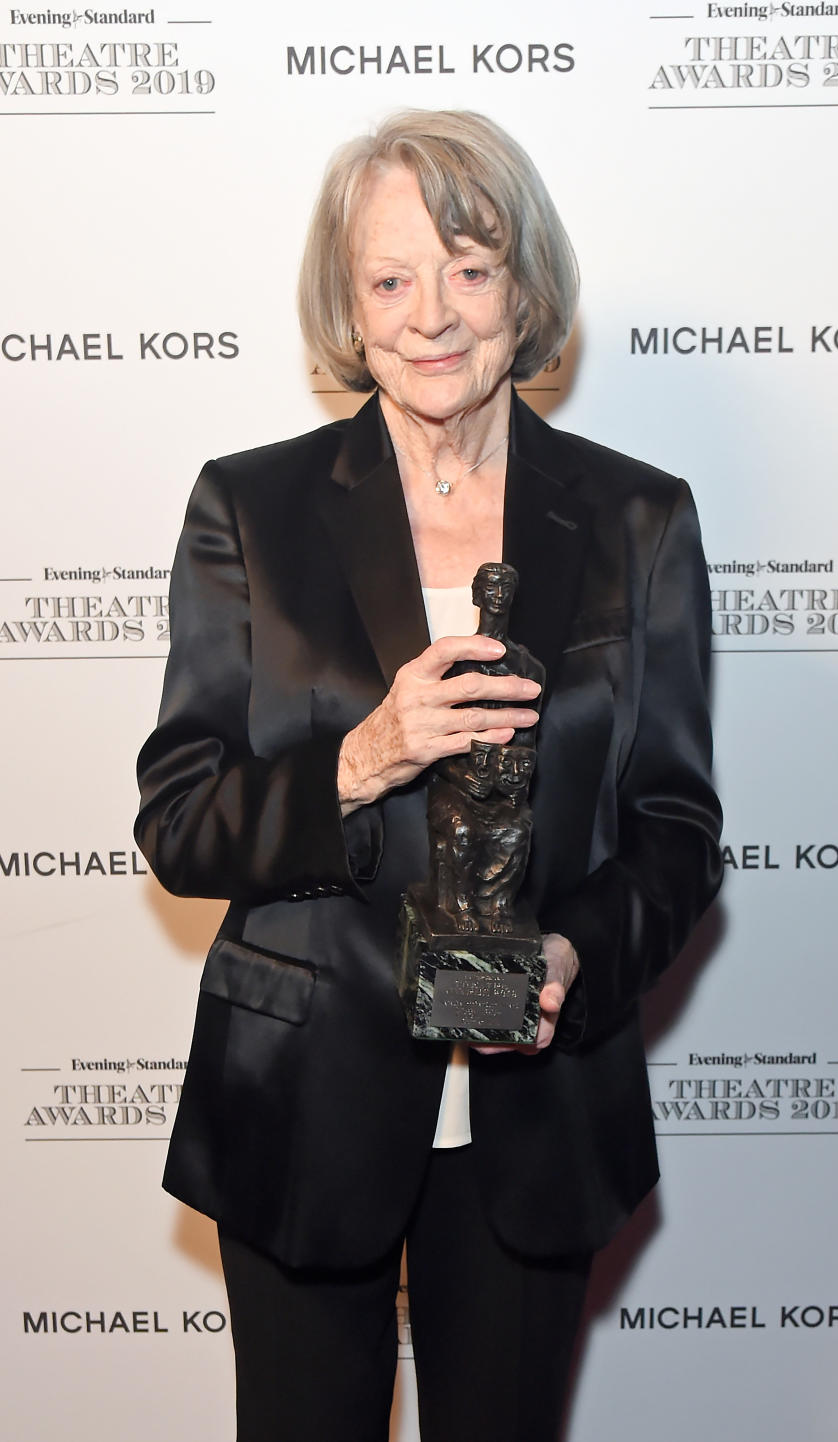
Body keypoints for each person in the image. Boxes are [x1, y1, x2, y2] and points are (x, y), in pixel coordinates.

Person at [135, 109, 723, 1442]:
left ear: (526, 285)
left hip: (537, 1108)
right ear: (347, 305)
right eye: (390, 279)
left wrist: (577, 957)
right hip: (304, 1101)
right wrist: (363, 755)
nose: (432, 315)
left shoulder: (640, 519)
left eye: (470, 266)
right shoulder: (252, 509)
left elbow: (678, 827)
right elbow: (180, 819)